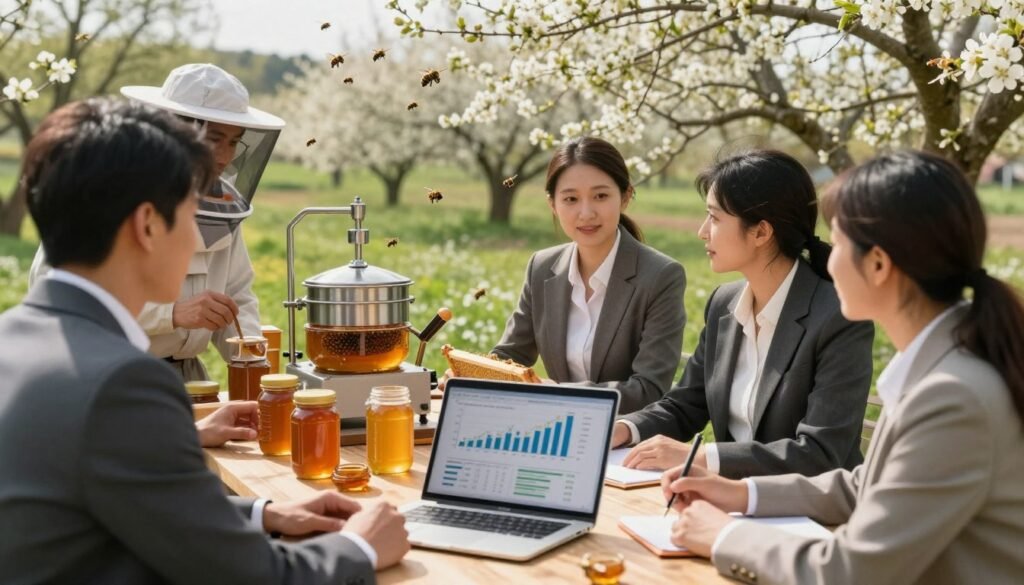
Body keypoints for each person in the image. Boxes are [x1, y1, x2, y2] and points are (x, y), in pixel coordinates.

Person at [0, 97, 409, 583]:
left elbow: (116, 497)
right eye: (191, 214)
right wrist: (359, 546)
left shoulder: (13, 338)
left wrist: (262, 515)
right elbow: (253, 578)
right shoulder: (124, 384)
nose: (198, 240)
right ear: (147, 225)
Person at [664, 151, 1024, 584]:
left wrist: (725, 535)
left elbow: (851, 572)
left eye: (837, 242)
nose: (824, 259)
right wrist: (743, 493)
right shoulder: (939, 368)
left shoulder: (952, 396)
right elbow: (867, 485)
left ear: (877, 264)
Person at [613, 150, 874, 479]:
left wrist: (705, 456)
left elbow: (820, 452)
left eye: (715, 218)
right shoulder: (724, 303)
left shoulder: (839, 317)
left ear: (762, 232)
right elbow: (686, 405)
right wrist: (623, 428)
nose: (702, 231)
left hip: (809, 514)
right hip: (726, 502)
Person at [28, 63, 283, 381]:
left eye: (234, 142)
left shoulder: (223, 207)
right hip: (111, 375)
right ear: (174, 130)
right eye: (215, 138)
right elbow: (55, 288)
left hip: (188, 378)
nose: (225, 155)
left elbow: (237, 294)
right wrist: (172, 315)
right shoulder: (106, 193)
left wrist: (254, 366)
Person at [478, 136, 687, 414]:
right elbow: (512, 355)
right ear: (553, 204)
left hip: (625, 439)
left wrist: (556, 394)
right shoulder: (542, 267)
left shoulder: (661, 276)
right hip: (553, 427)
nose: (586, 213)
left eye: (601, 196)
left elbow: (648, 388)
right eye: (571, 199)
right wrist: (472, 373)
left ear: (625, 197)